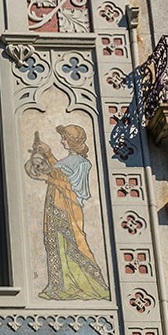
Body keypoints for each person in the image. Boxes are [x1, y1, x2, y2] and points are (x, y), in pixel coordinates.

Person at [23, 124, 109, 300]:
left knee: (74, 245)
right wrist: (47, 154)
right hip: (55, 206)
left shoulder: (82, 163)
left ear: (72, 141)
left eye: (65, 138)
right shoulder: (68, 160)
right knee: (56, 245)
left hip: (68, 210)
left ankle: (92, 286)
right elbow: (57, 173)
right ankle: (59, 287)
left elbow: (75, 190)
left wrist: (48, 177)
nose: (62, 141)